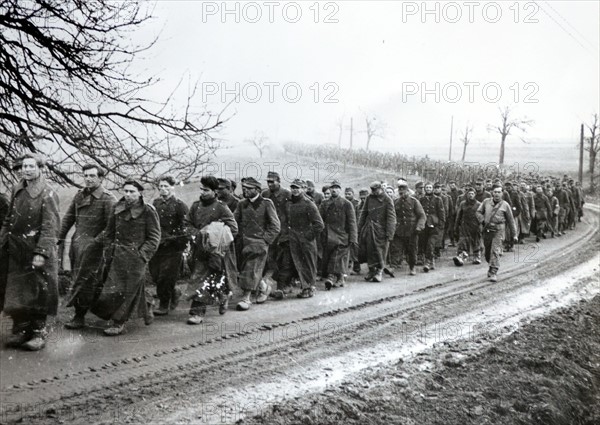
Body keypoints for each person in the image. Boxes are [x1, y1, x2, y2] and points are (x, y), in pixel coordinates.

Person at [0, 154, 60, 351]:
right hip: (16, 251)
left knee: (38, 292)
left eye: (31, 166)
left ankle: (38, 334)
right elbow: (8, 219)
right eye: (24, 166)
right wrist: (3, 240)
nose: (26, 170)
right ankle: (21, 331)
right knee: (18, 292)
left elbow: (51, 226)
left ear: (40, 168)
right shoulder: (18, 189)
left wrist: (41, 252)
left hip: (35, 251)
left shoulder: (47, 193)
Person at [90, 179, 160, 335]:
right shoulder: (117, 208)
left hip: (136, 257)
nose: (128, 195)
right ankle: (147, 306)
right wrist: (107, 248)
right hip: (116, 255)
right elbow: (109, 232)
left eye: (132, 192)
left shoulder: (148, 210)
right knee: (115, 287)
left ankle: (118, 322)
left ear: (140, 193)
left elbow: (154, 237)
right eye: (126, 191)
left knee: (126, 290)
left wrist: (142, 255)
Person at [61, 163, 117, 329]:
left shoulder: (108, 199)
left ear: (100, 178)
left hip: (96, 248)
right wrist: (60, 236)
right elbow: (68, 218)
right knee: (78, 278)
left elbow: (111, 227)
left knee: (88, 281)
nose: (88, 179)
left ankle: (80, 316)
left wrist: (95, 243)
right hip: (77, 245)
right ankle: (89, 312)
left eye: (92, 176)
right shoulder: (79, 195)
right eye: (86, 176)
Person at [184, 176, 238, 323]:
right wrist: (197, 234)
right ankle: (223, 295)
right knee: (204, 278)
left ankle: (198, 313)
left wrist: (215, 233)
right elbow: (187, 224)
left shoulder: (221, 207)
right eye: (201, 189)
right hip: (198, 250)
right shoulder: (195, 206)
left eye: (206, 190)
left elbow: (233, 228)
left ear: (215, 191)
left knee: (202, 279)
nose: (203, 192)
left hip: (215, 252)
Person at [234, 177, 280, 310]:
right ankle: (264, 288)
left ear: (257, 190)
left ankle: (246, 298)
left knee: (251, 268)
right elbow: (234, 220)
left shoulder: (266, 203)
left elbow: (275, 226)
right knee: (246, 269)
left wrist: (265, 240)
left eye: (249, 188)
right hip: (244, 243)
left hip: (259, 244)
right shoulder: (241, 204)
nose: (245, 191)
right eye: (244, 188)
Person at [149, 175, 189, 316]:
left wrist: (179, 243)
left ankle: (164, 305)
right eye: (161, 187)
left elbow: (186, 227)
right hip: (157, 245)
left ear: (173, 187)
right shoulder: (156, 203)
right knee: (155, 274)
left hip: (173, 247)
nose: (163, 189)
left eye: (166, 186)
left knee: (165, 277)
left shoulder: (179, 205)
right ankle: (174, 292)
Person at [286, 179, 324, 298]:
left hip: (306, 239)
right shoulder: (289, 203)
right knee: (298, 262)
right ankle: (304, 287)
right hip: (293, 238)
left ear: (303, 189)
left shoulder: (309, 204)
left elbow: (319, 225)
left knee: (308, 263)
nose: (295, 190)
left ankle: (310, 287)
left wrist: (308, 236)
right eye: (293, 187)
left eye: (298, 187)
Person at [319, 180, 358, 289]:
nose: (334, 190)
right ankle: (340, 278)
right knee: (332, 258)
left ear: (340, 190)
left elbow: (352, 222)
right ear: (329, 190)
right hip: (328, 236)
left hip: (342, 236)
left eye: (336, 188)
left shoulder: (347, 204)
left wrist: (353, 238)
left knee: (336, 257)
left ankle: (331, 277)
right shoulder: (324, 203)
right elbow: (320, 220)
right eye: (332, 188)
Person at [476, 185, 518, 282]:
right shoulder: (486, 202)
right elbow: (478, 212)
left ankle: (494, 271)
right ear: (492, 193)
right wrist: (482, 220)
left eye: (499, 192)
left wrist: (514, 234)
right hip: (487, 229)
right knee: (487, 252)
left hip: (499, 230)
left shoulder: (505, 205)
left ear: (502, 193)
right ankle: (491, 266)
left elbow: (511, 221)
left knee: (495, 250)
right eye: (495, 192)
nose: (496, 194)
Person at [358, 181, 396, 282]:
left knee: (380, 252)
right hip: (369, 228)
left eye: (376, 190)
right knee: (369, 250)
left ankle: (379, 272)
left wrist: (390, 233)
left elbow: (391, 218)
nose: (374, 192)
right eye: (372, 190)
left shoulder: (387, 200)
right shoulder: (369, 198)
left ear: (381, 189)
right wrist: (359, 228)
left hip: (382, 230)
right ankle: (371, 270)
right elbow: (363, 214)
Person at [261, 171, 292, 297]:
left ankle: (284, 285)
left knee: (285, 261)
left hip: (284, 232)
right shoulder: (265, 194)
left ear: (279, 181)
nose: (269, 184)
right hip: (271, 232)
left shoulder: (287, 194)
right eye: (268, 181)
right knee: (270, 260)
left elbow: (290, 214)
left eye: (272, 181)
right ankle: (270, 286)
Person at [389, 179, 425, 276]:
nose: (402, 193)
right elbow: (392, 216)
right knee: (396, 249)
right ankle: (392, 267)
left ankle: (412, 267)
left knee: (412, 250)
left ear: (407, 191)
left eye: (403, 191)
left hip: (412, 231)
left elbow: (422, 216)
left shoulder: (414, 202)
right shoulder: (395, 202)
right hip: (399, 230)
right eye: (400, 192)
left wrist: (419, 227)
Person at [419, 183, 445, 272]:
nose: (428, 189)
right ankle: (431, 260)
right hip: (424, 225)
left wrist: (441, 225)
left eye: (430, 187)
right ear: (424, 189)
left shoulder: (438, 199)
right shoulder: (421, 199)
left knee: (431, 244)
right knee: (425, 244)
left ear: (433, 189)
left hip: (434, 225)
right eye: (426, 187)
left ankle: (428, 262)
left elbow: (441, 213)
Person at [452, 187, 482, 266]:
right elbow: (459, 215)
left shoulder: (479, 204)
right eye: (469, 194)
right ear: (466, 195)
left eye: (472, 194)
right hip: (465, 225)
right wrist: (456, 226)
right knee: (463, 241)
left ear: (475, 195)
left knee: (476, 241)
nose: (471, 195)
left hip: (475, 226)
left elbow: (482, 216)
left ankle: (477, 256)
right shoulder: (462, 204)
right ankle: (461, 257)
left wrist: (482, 226)